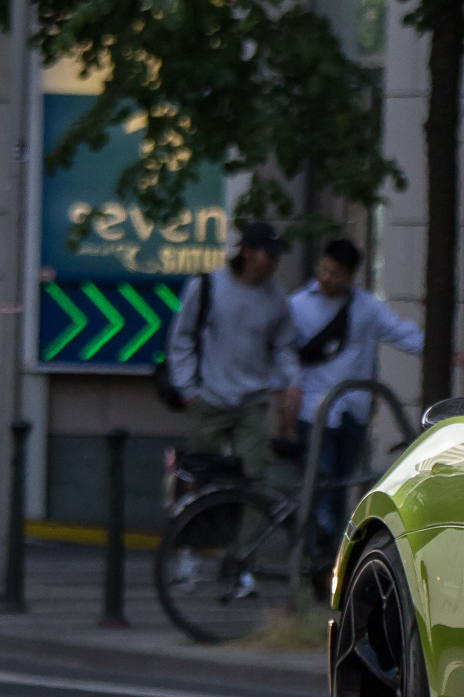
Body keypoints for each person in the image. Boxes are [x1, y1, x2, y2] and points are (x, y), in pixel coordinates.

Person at [289, 239, 428, 554]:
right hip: (314, 411)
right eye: (323, 269)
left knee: (341, 488)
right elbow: (284, 357)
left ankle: (328, 562)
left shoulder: (366, 308)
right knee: (319, 485)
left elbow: (402, 333)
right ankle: (315, 558)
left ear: (351, 276)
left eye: (335, 273)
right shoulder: (297, 306)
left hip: (353, 411)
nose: (326, 277)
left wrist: (442, 351)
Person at [165, 219, 301, 484]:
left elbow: (284, 345)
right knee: (205, 480)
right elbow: (181, 338)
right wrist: (188, 389)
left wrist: (292, 382)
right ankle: (209, 525)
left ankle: (250, 527)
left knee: (253, 480)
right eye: (268, 254)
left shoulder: (276, 296)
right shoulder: (209, 285)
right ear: (247, 251)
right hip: (209, 398)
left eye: (277, 256)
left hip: (252, 401)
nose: (274, 262)